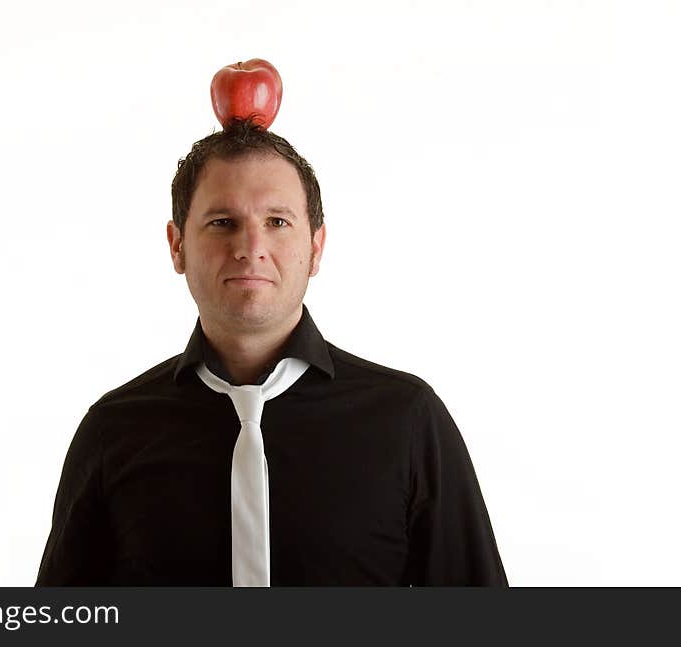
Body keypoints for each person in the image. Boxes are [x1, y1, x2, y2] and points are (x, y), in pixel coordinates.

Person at [35, 118, 508, 586]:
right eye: (223, 222)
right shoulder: (112, 430)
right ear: (177, 246)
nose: (251, 247)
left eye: (277, 222)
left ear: (316, 246)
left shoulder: (408, 420)